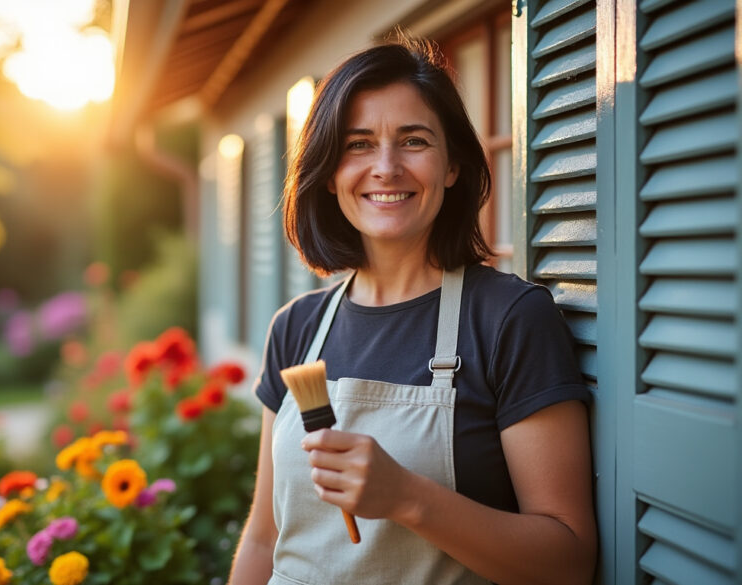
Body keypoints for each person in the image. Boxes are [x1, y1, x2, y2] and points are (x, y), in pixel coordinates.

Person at [228, 35, 596, 585]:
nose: (386, 167)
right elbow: (264, 537)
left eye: (414, 140)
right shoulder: (296, 329)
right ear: (329, 173)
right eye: (358, 145)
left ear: (451, 166)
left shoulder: (508, 319)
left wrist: (407, 497)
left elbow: (567, 563)